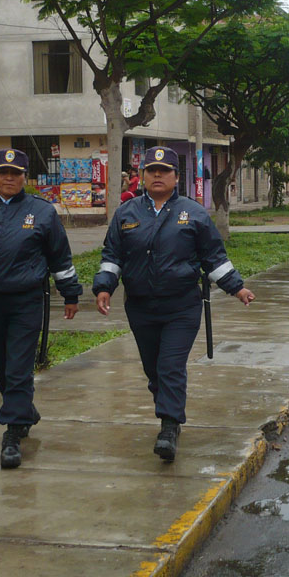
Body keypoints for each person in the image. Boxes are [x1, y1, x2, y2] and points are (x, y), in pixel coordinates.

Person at [92, 146, 255, 462]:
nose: (157, 175)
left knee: (170, 365)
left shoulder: (193, 214)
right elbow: (112, 256)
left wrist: (237, 288)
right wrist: (104, 287)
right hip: (140, 307)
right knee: (153, 369)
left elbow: (214, 258)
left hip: (182, 306)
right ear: (142, 176)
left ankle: (169, 427)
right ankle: (167, 408)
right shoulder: (126, 214)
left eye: (164, 170)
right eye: (151, 170)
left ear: (176, 177)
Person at [0, 148, 81, 469]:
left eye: (16, 173)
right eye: (3, 172)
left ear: (25, 177)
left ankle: (12, 432)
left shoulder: (42, 212)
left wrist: (71, 294)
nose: (9, 178)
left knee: (19, 365)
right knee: (2, 363)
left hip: (27, 300)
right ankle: (24, 410)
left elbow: (60, 258)